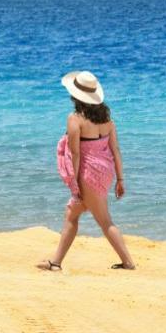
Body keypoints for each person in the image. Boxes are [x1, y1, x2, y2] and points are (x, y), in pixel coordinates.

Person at [37, 70, 136, 271]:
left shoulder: (75, 119)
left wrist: (73, 182)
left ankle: (128, 262)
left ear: (76, 96)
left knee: (105, 220)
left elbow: (75, 153)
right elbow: (115, 150)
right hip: (105, 171)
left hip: (87, 173)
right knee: (72, 212)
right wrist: (120, 179)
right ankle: (56, 262)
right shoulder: (108, 120)